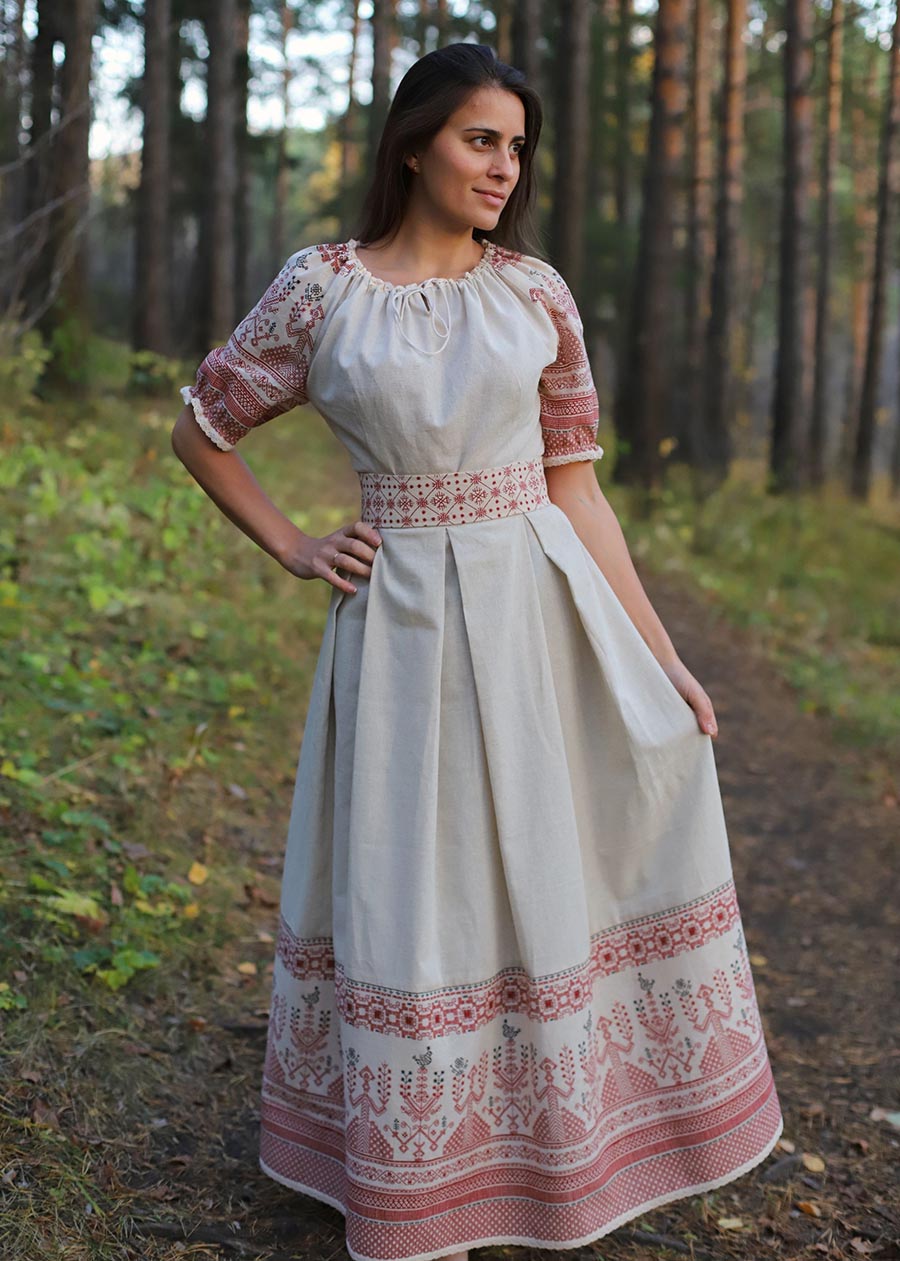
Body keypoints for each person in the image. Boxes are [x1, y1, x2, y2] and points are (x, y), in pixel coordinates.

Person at [172, 41, 782, 1261]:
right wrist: (295, 545)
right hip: (397, 629)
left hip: (539, 614)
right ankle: (418, 1177)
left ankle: (560, 1149)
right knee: (419, 878)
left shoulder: (534, 294)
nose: (504, 167)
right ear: (414, 144)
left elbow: (581, 494)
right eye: (479, 139)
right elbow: (203, 427)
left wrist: (661, 657)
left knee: (549, 865)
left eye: (517, 146)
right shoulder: (322, 288)